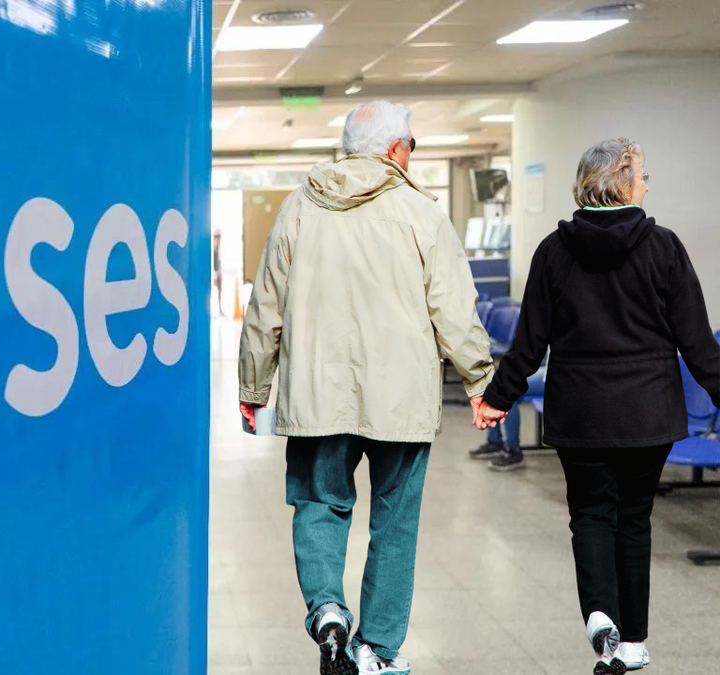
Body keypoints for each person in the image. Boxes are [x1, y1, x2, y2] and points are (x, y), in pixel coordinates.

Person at [238, 100, 496, 675]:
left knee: (318, 504)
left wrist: (253, 386)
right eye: (412, 145)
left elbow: (265, 305)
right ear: (396, 149)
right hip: (400, 399)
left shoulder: (298, 207)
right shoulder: (421, 212)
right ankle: (376, 646)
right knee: (394, 521)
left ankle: (328, 611)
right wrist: (480, 380)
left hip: (317, 394)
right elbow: (455, 310)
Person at [475, 138, 720, 674]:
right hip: (648, 413)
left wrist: (496, 399)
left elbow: (528, 343)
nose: (647, 186)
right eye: (643, 176)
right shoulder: (664, 248)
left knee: (590, 514)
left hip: (581, 413)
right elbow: (699, 344)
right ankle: (632, 642)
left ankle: (600, 616)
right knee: (634, 520)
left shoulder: (553, 251)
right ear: (623, 184)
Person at [468, 365, 546, 470]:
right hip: (547, 368)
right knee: (492, 380)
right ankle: (495, 441)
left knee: (507, 389)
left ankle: (513, 450)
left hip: (558, 373)